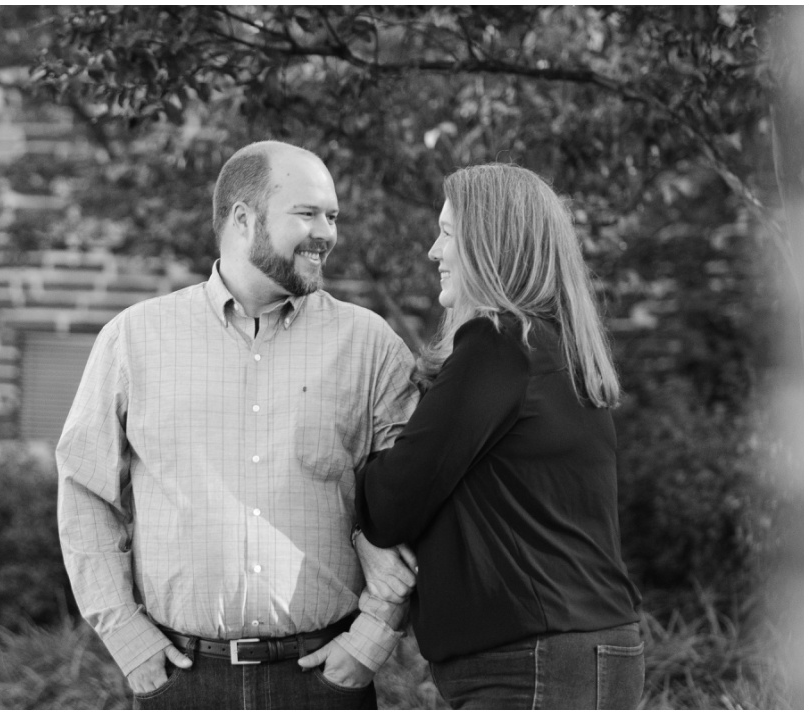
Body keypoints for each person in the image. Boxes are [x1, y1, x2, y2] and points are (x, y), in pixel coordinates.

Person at [56, 140, 420, 709]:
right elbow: (84, 493)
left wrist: (374, 636)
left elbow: (415, 504)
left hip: (323, 681)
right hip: (183, 682)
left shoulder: (371, 346)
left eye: (333, 216)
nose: (327, 232)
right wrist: (127, 638)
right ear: (243, 219)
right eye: (307, 213)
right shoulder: (135, 340)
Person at [356, 164, 645, 709]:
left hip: (534, 662)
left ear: (491, 243)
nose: (433, 251)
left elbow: (391, 502)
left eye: (447, 232)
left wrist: (356, 457)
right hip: (572, 650)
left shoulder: (496, 347)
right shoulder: (548, 348)